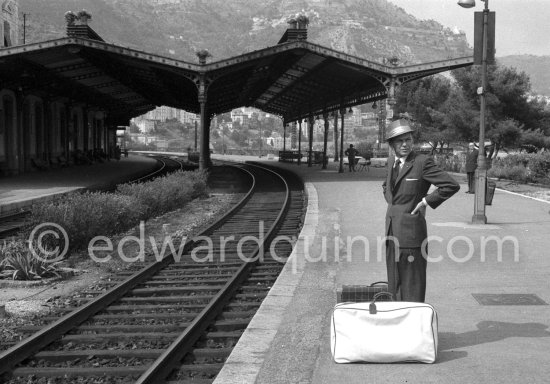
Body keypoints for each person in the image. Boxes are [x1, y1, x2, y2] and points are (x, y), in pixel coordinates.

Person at [382, 119, 460, 302]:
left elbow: (451, 185)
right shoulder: (392, 162)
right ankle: (398, 323)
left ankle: (414, 325)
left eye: (408, 139)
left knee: (411, 285)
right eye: (400, 141)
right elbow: (387, 186)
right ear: (392, 144)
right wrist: (392, 201)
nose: (405, 144)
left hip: (411, 236)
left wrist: (426, 201)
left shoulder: (422, 162)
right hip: (391, 231)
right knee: (394, 283)